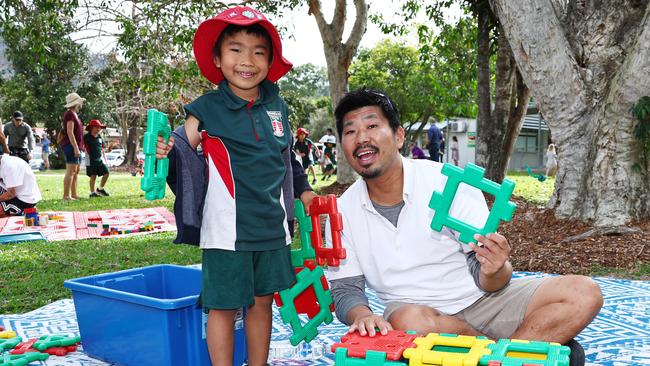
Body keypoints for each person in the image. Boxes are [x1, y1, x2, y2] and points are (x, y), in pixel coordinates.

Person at [328, 89, 603, 366]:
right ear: (343, 144)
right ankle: (521, 352)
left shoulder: (447, 182)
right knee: (407, 320)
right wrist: (361, 315)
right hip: (420, 318)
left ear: (399, 136)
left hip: (486, 300)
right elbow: (345, 288)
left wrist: (496, 268)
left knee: (584, 292)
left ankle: (496, 356)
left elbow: (490, 277)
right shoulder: (342, 211)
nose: (362, 138)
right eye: (350, 131)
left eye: (372, 126)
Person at [154, 6, 317, 366]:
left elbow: (286, 157)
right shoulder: (206, 108)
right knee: (223, 307)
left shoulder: (277, 106)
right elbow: (182, 149)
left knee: (262, 302)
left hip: (273, 228)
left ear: (270, 60)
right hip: (226, 231)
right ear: (217, 57)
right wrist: (165, 152)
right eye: (236, 49)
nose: (247, 60)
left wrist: (303, 189)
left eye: (259, 51)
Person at [60, 92, 86, 201]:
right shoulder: (69, 113)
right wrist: (75, 148)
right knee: (71, 171)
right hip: (71, 146)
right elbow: (70, 132)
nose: (81, 105)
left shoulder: (75, 114)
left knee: (76, 170)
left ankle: (74, 194)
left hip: (77, 146)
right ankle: (66, 196)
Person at [83, 119, 110, 197]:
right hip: (90, 160)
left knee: (106, 173)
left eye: (99, 127)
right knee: (93, 176)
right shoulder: (86, 137)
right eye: (96, 127)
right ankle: (92, 193)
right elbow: (81, 145)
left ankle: (100, 189)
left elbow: (102, 148)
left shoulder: (99, 137)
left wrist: (107, 151)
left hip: (99, 159)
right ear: (91, 128)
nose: (98, 129)